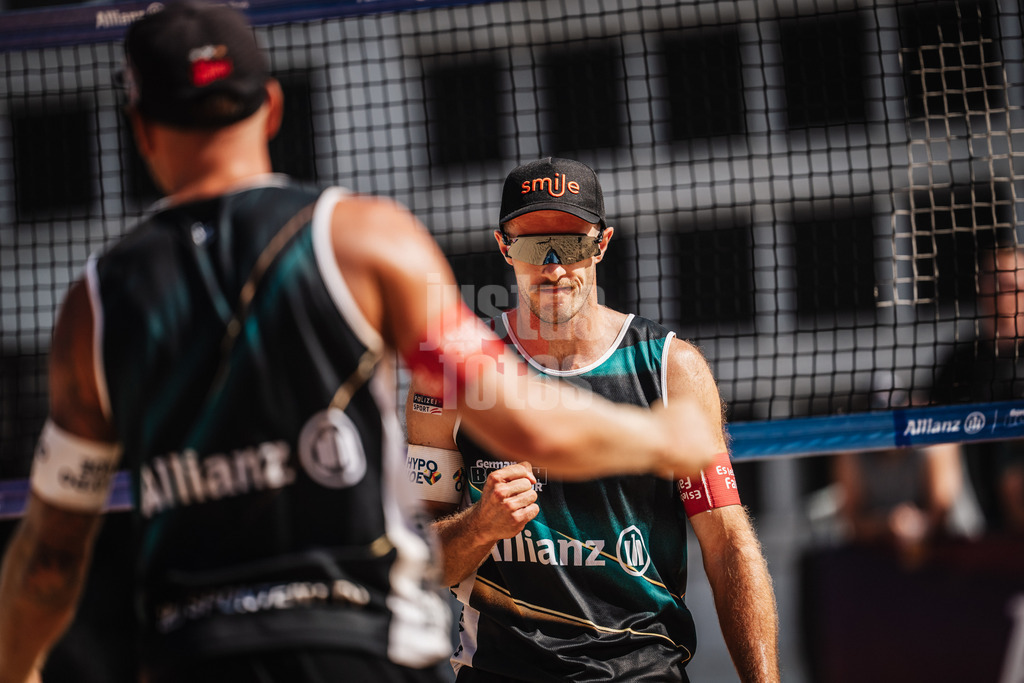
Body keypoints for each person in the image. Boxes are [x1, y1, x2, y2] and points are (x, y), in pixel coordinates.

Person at [0, 7, 720, 683]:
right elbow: (527, 423)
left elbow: (49, 560)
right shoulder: (361, 240)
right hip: (355, 642)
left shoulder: (96, 304)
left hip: (195, 650)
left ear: (140, 126)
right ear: (272, 107)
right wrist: (665, 436)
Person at [406, 157, 780, 682]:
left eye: (572, 245)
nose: (554, 266)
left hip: (641, 669)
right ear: (504, 248)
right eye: (534, 246)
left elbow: (727, 543)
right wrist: (480, 526)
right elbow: (415, 565)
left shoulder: (670, 368)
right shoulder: (450, 378)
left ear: (601, 245)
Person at [931, 244, 1024, 536]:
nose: (1003, 295)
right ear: (981, 288)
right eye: (994, 283)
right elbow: (929, 427)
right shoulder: (959, 363)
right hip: (972, 514)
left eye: (1012, 285)